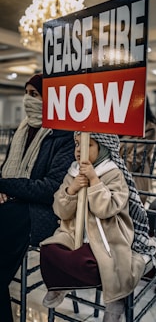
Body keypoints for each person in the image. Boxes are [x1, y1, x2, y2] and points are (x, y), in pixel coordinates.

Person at [40, 132, 156, 322]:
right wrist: (72, 190)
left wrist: (94, 181)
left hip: (107, 237)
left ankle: (115, 301)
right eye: (77, 144)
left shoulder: (113, 174)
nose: (79, 150)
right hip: (75, 234)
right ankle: (61, 285)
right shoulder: (73, 173)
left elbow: (106, 209)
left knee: (106, 266)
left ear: (102, 148)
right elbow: (60, 211)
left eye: (88, 145)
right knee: (48, 250)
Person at [0, 73, 75, 322]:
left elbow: (50, 188)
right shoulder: (24, 129)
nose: (27, 99)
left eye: (34, 94)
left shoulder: (63, 135)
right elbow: (7, 172)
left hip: (44, 214)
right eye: (26, 93)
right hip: (16, 206)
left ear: (51, 98)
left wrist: (5, 186)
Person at [119, 97, 156, 204]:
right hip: (115, 179)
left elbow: (135, 161)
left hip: (135, 180)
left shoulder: (148, 128)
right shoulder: (119, 125)